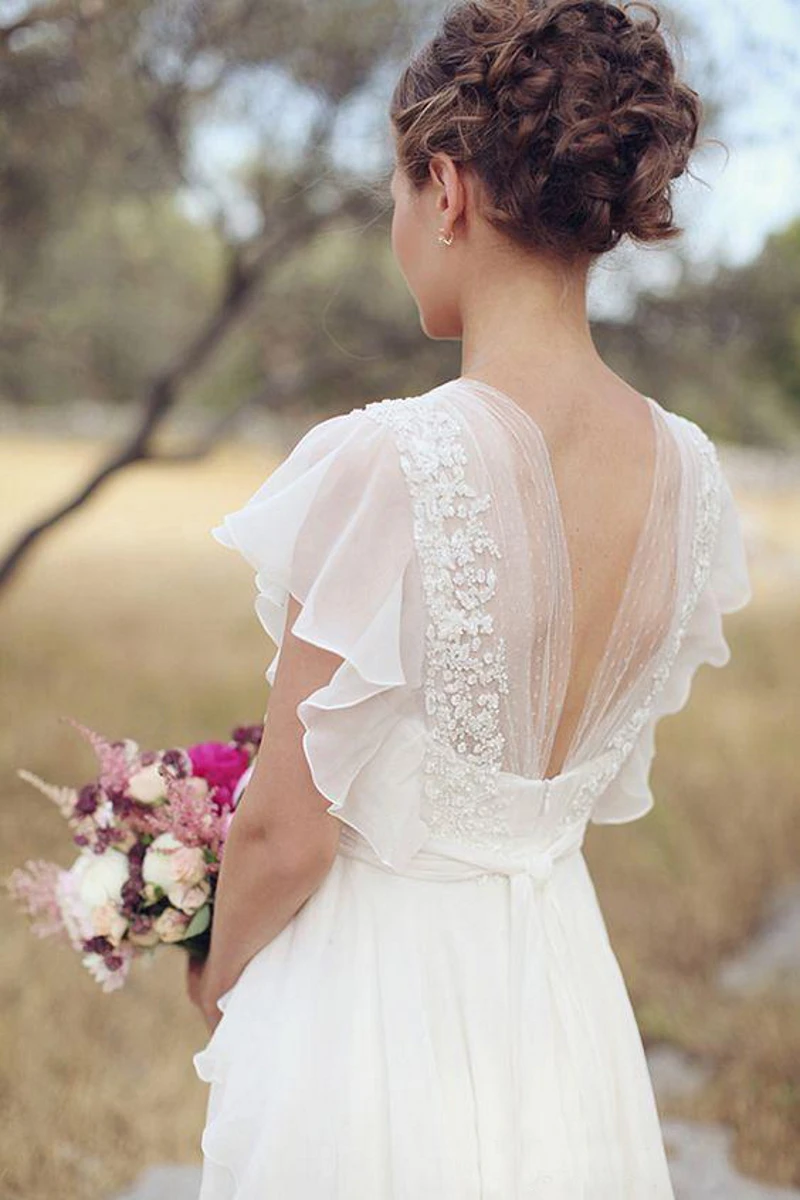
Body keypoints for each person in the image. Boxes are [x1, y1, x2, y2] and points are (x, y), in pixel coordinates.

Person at [188, 0, 753, 1195]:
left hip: (370, 1007)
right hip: (554, 996)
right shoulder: (690, 478)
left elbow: (287, 832)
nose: (398, 226)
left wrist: (219, 976)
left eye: (395, 194)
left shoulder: (384, 461)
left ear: (443, 187)